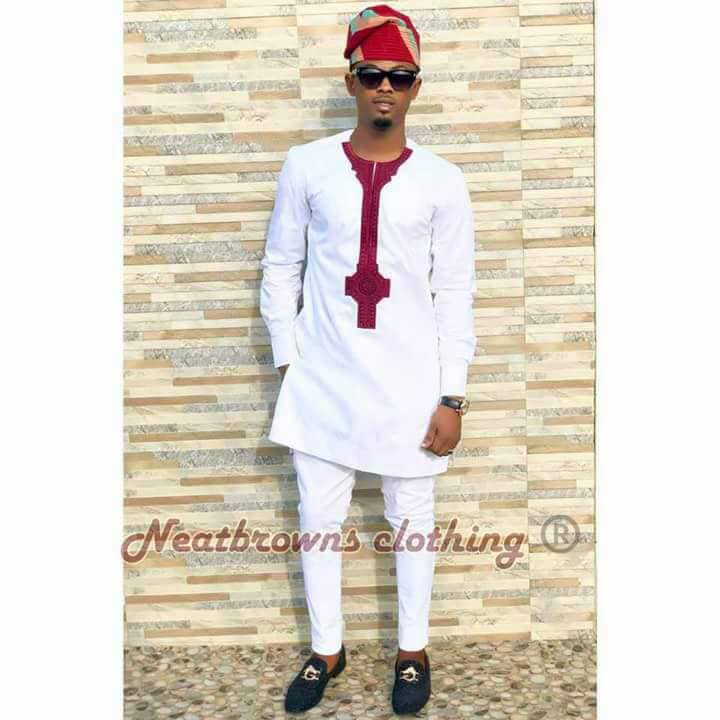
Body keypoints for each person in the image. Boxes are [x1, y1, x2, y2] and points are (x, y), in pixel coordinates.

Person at [259, 4, 477, 714]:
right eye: (373, 73)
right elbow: (281, 267)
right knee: (317, 521)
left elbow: (455, 292)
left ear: (416, 87)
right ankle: (327, 649)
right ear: (350, 80)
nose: (386, 86)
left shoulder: (442, 180)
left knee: (412, 520)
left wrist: (453, 396)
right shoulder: (307, 166)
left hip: (410, 384)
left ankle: (412, 652)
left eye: (401, 76)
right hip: (322, 380)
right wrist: (290, 363)